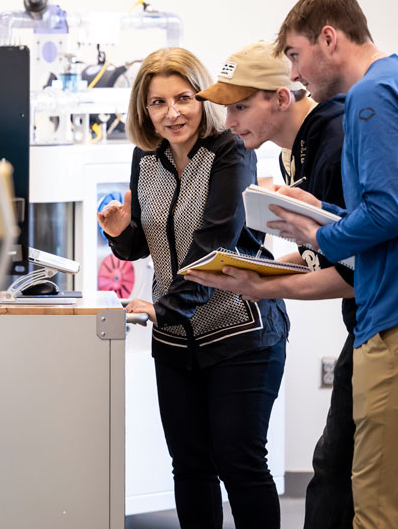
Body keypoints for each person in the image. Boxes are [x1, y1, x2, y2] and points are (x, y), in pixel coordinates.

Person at [98, 47, 290, 528]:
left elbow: (214, 242)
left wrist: (164, 308)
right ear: (145, 109)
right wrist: (121, 230)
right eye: (158, 102)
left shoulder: (230, 151)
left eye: (183, 98)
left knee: (239, 464)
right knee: (190, 469)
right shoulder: (146, 157)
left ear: (202, 98)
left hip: (239, 331)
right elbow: (147, 243)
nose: (172, 113)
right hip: (177, 343)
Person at [185, 40, 356, 528]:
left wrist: (264, 288)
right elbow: (317, 255)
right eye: (226, 107)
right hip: (363, 322)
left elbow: (355, 273)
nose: (231, 120)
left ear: (282, 97)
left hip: (378, 317)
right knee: (334, 469)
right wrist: (257, 272)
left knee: (336, 472)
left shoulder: (335, 141)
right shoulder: (293, 159)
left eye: (242, 106)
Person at [260, 0, 398, 529]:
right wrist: (326, 210)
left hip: (387, 320)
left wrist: (323, 235)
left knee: (373, 504)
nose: (295, 75)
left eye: (295, 56)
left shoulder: (368, 98)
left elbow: (386, 213)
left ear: (329, 38)